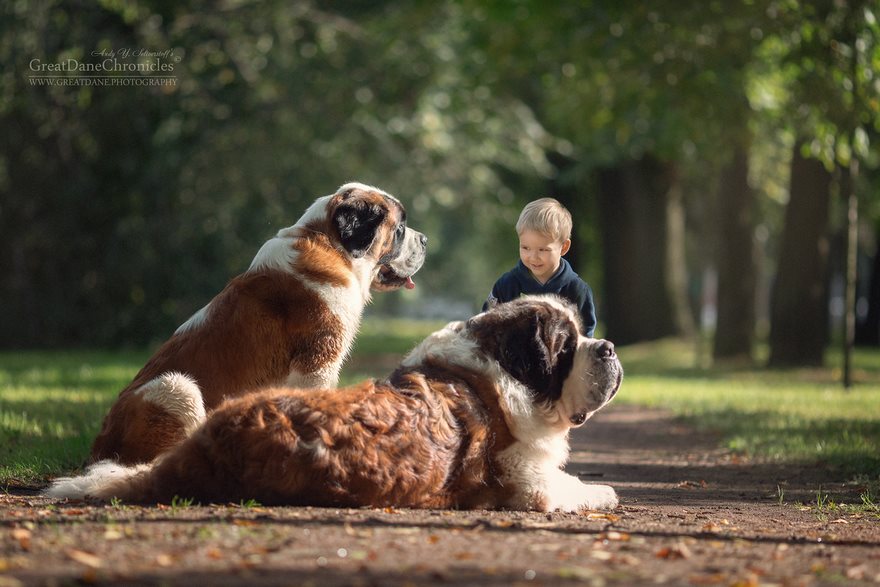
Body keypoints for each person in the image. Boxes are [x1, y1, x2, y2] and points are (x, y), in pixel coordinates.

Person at [483, 197, 597, 336]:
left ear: (564, 247)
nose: (533, 257)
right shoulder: (506, 285)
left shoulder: (577, 290)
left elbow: (584, 337)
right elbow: (485, 325)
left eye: (543, 250)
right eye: (525, 248)